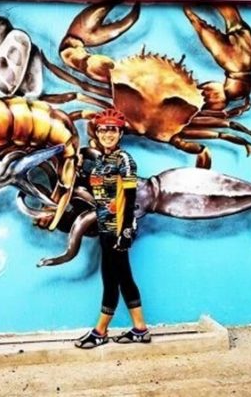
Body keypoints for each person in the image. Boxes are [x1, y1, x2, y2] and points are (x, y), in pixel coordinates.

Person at [75, 108, 151, 349]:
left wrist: (126, 231)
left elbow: (130, 197)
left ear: (120, 134)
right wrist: (79, 166)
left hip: (118, 228)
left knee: (112, 280)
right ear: (97, 133)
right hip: (104, 228)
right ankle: (140, 329)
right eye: (103, 130)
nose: (107, 134)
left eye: (112, 130)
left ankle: (100, 331)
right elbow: (97, 190)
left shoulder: (124, 160)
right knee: (121, 278)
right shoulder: (99, 162)